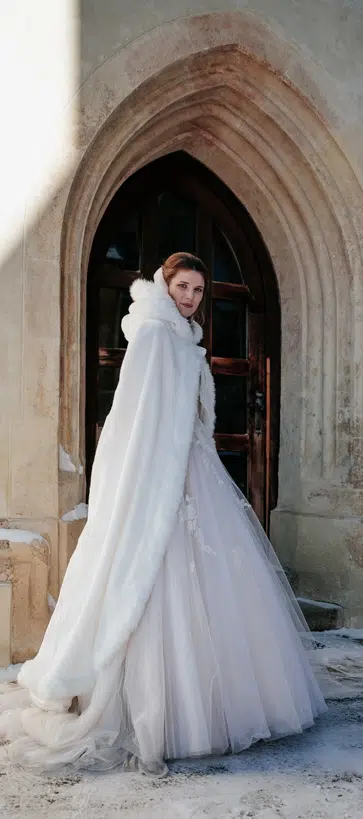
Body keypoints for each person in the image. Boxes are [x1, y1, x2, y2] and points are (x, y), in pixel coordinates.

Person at [0, 253, 327, 775]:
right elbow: (134, 418)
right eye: (183, 286)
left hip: (194, 472)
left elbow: (191, 418)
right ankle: (156, 711)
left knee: (211, 586)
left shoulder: (185, 340)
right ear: (164, 284)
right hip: (160, 477)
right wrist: (143, 485)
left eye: (199, 290)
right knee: (154, 581)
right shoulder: (155, 336)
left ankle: (211, 708)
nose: (190, 297)